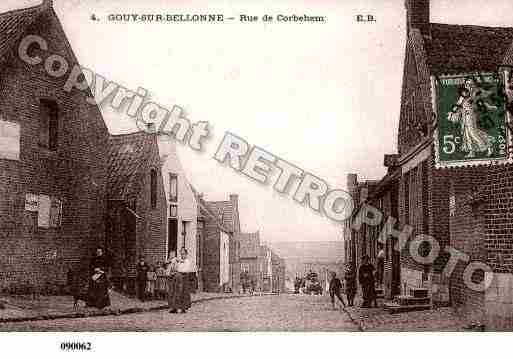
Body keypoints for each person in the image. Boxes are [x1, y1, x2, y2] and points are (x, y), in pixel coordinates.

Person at [168, 248, 196, 313]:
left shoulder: (188, 261)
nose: (182, 255)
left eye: (183, 254)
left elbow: (185, 269)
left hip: (184, 277)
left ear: (186, 254)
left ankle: (183, 308)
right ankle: (174, 308)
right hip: (178, 278)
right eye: (181, 254)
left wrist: (178, 270)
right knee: (175, 292)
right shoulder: (179, 261)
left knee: (184, 293)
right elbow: (176, 267)